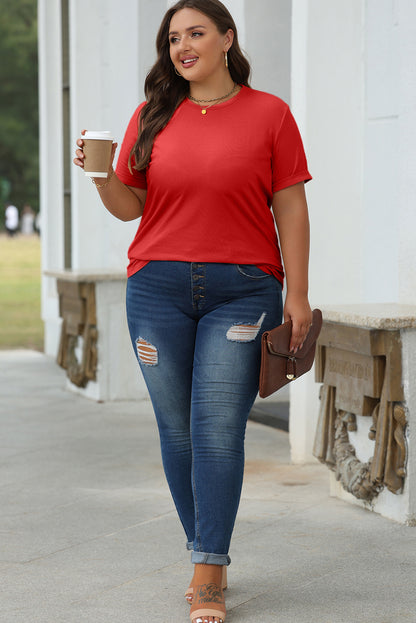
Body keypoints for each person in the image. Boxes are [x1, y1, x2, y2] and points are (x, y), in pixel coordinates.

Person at [74, 1, 312, 621]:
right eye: (173, 37)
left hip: (243, 291)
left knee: (214, 427)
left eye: (196, 33)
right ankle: (202, 548)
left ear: (227, 39)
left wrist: (298, 294)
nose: (183, 46)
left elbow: (291, 208)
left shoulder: (271, 115)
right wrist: (101, 178)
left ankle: (210, 568)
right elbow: (132, 209)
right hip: (156, 291)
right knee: (176, 429)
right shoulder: (150, 116)